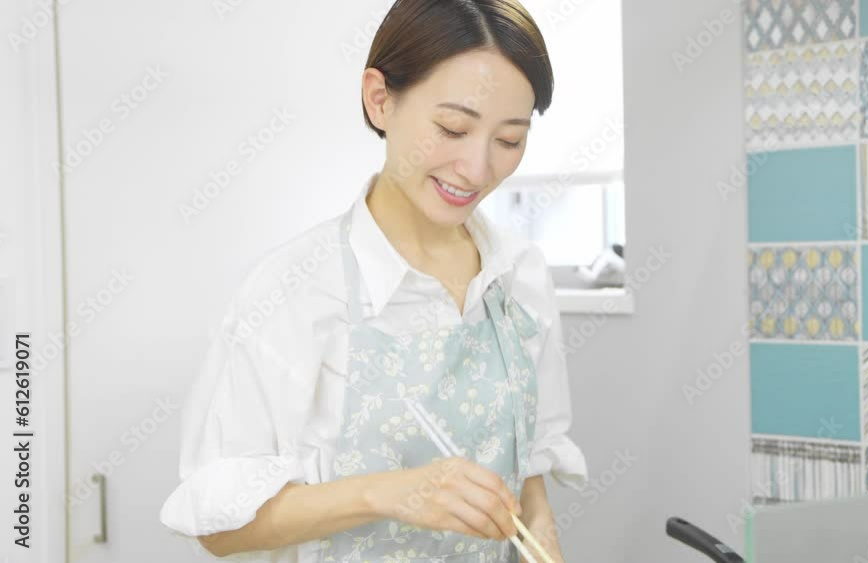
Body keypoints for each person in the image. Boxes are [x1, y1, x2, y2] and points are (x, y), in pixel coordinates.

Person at [159, 0, 589, 561]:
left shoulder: (517, 276)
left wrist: (545, 542)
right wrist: (386, 492)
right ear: (380, 99)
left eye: (509, 140)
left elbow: (528, 476)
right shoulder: (295, 290)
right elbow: (220, 530)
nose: (478, 169)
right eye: (453, 128)